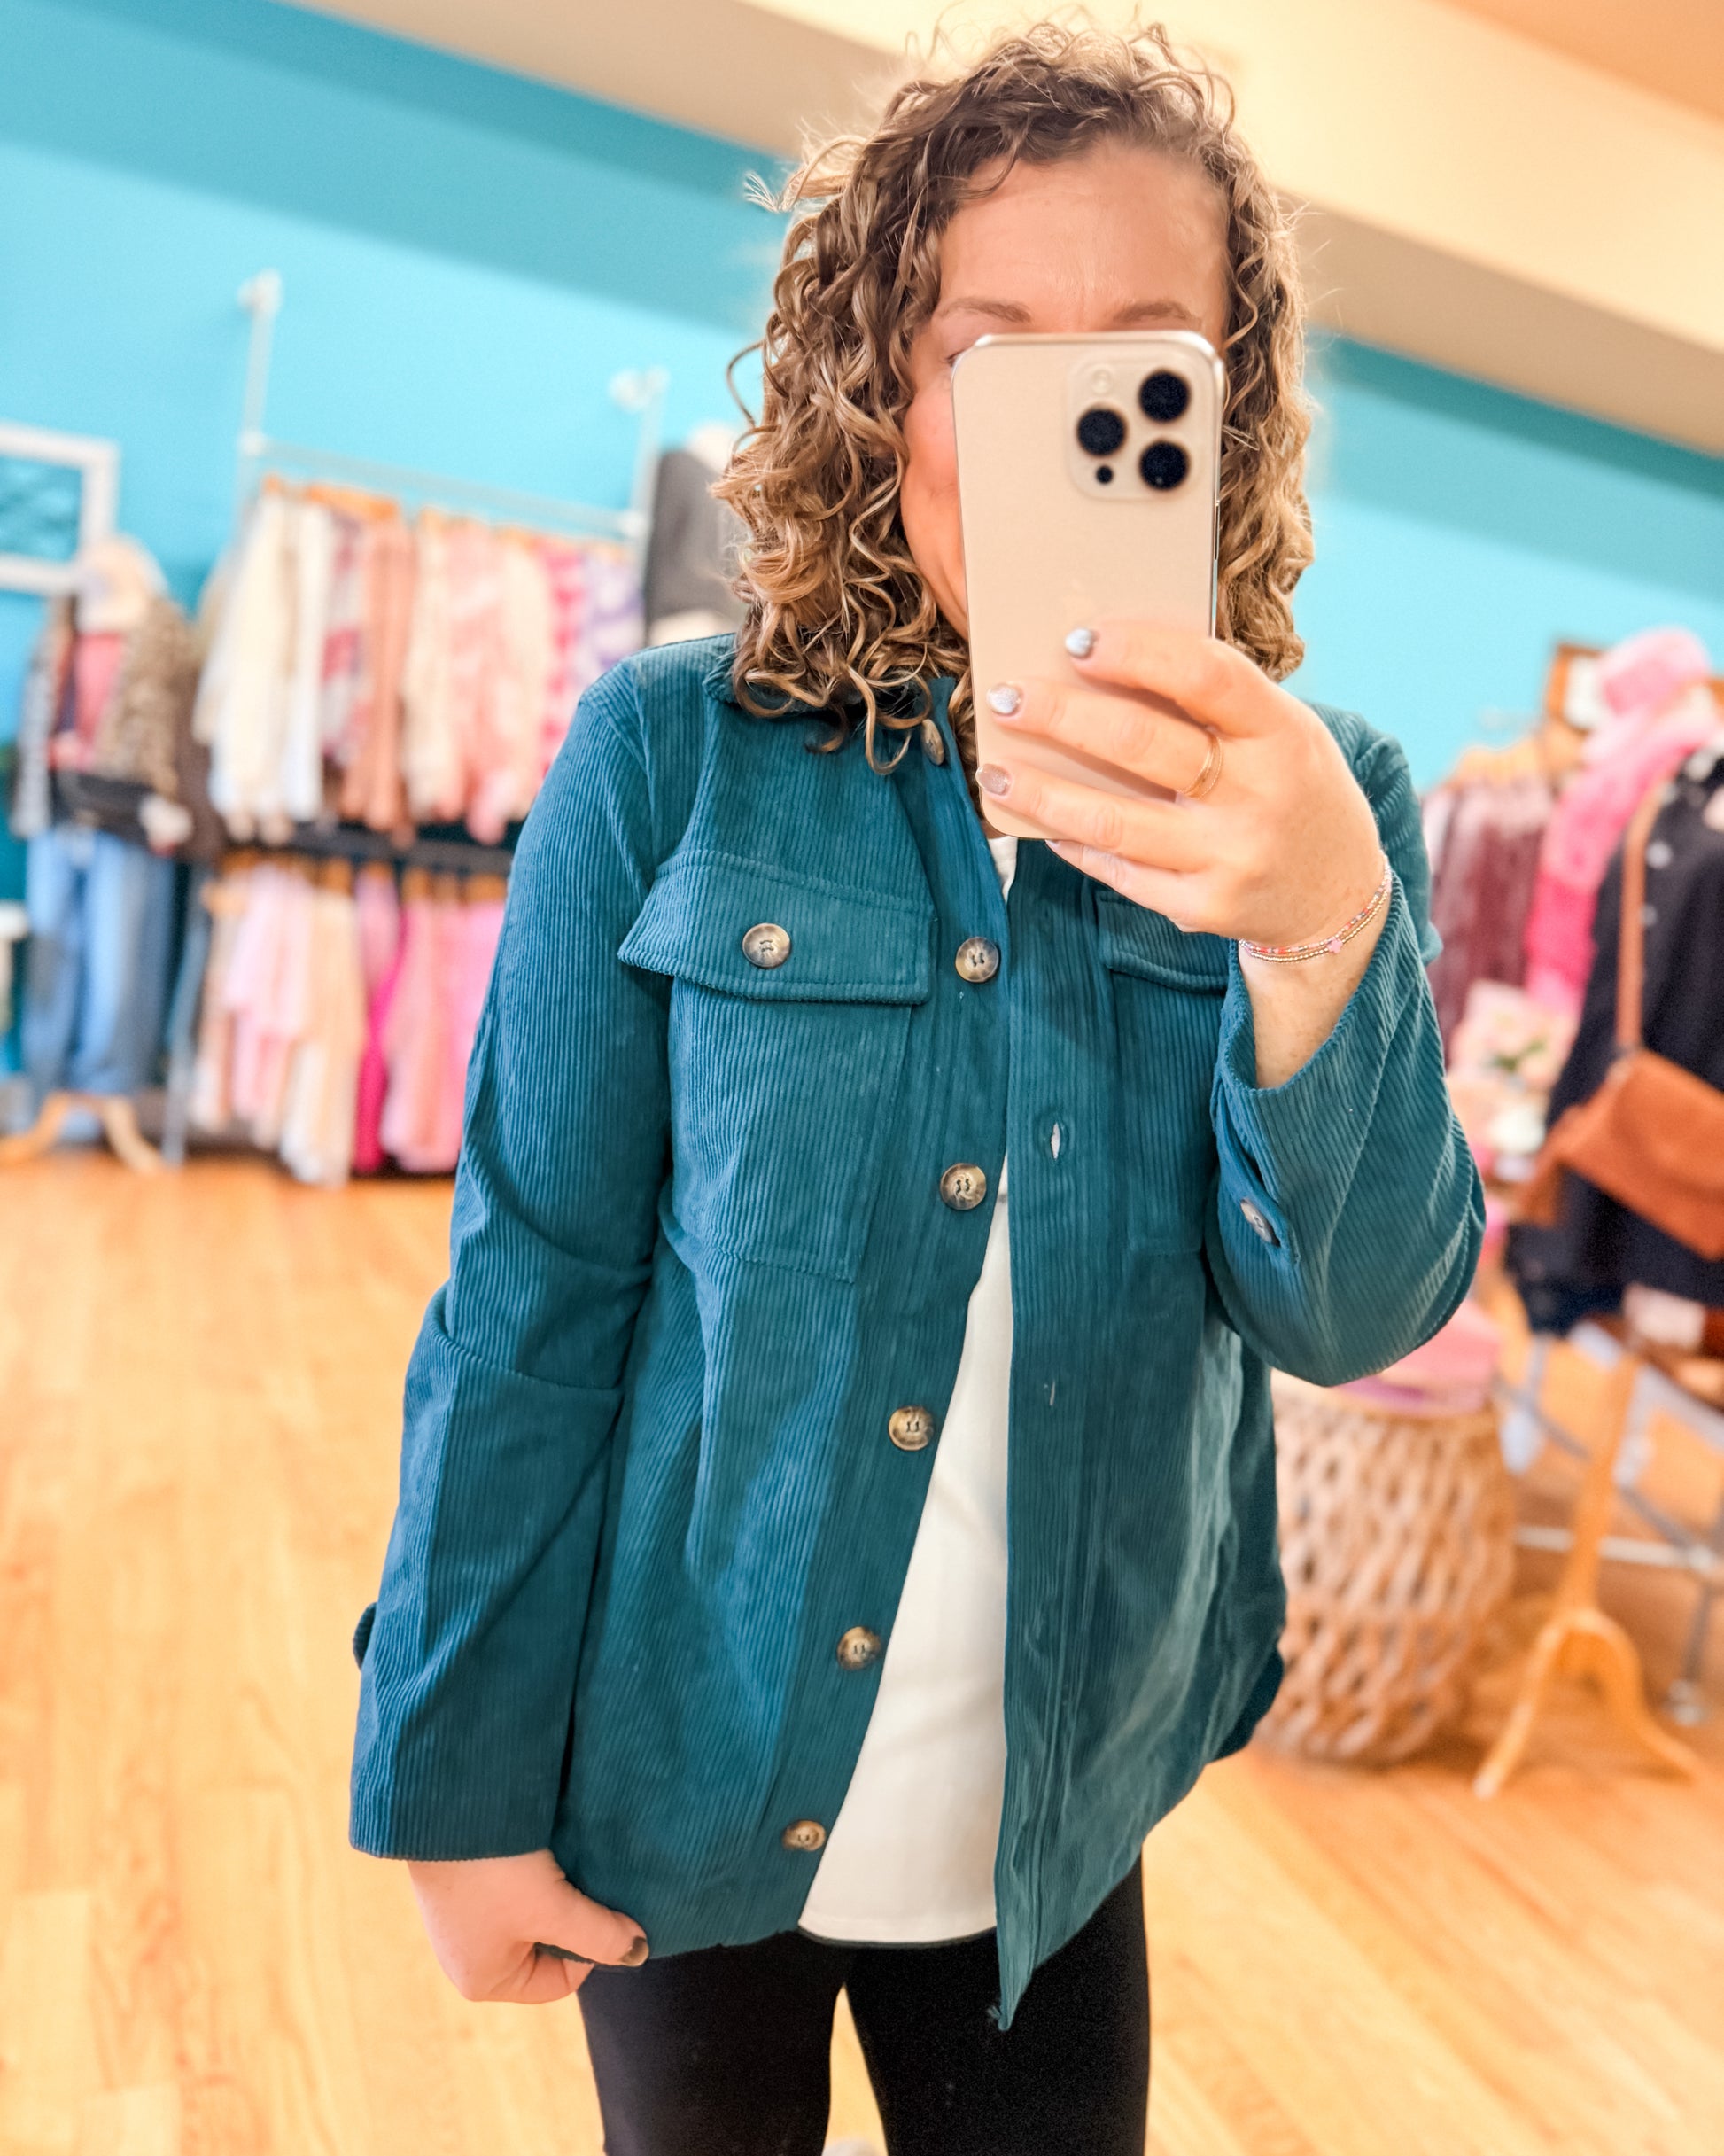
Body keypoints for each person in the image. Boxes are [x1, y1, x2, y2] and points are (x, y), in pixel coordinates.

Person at [350, 24, 1481, 2154]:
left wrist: (1320, 917)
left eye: (1142, 362)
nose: (1061, 429)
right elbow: (532, 1295)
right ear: (886, 388)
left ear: (1221, 414)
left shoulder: (1329, 813)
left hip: (1059, 1824)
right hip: (676, 1787)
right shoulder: (668, 758)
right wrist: (451, 1778)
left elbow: (1351, 1315)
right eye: (991, 352)